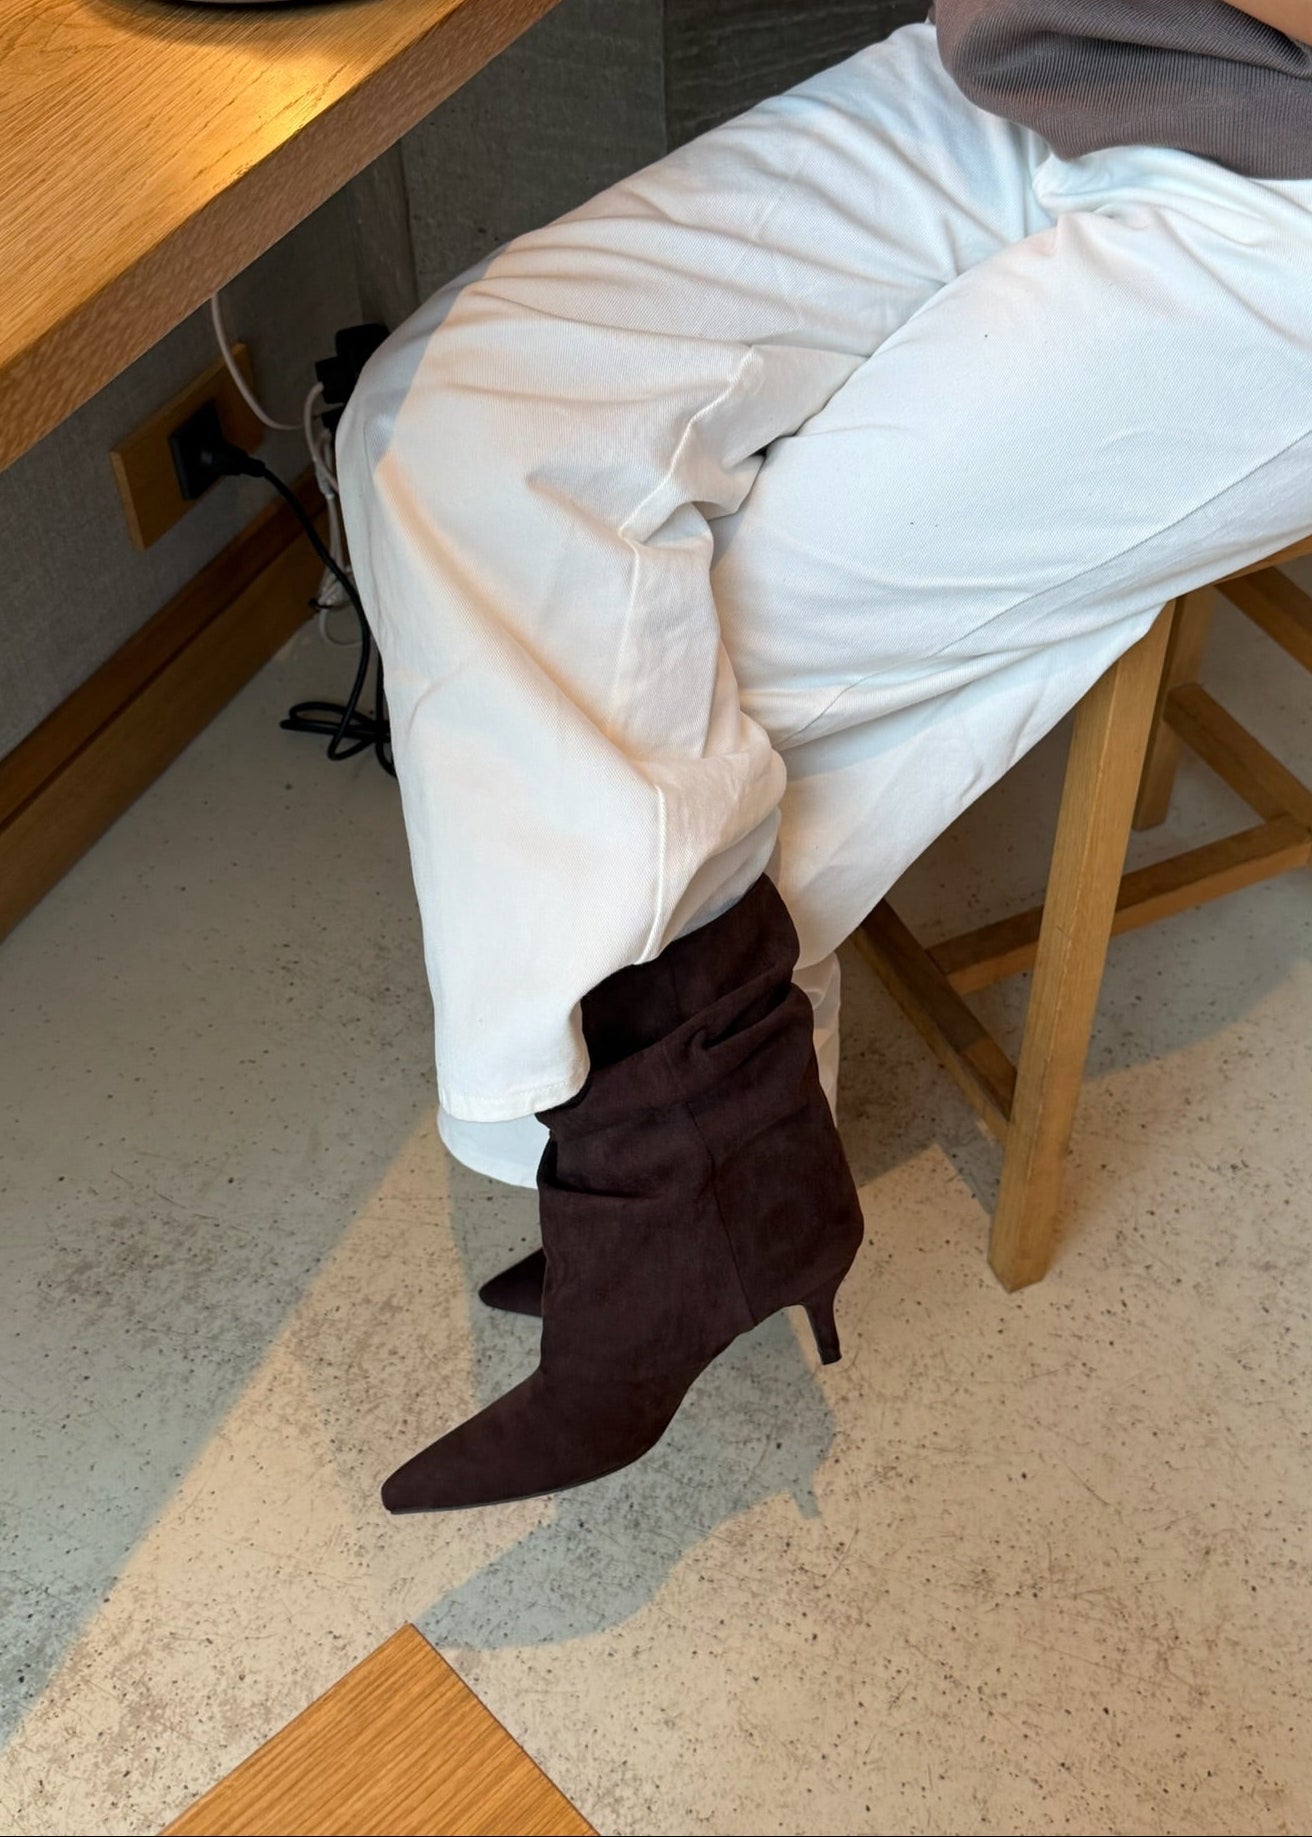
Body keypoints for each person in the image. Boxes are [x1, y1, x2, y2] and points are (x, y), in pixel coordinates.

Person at [338, 2, 1312, 1513]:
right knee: (439, 421)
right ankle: (713, 1199)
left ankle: (665, 1204)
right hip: (1056, 53)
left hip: (1287, 189)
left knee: (665, 668)